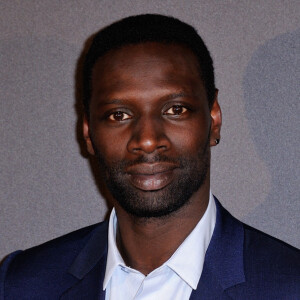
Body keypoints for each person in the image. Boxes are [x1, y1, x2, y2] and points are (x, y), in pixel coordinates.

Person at [0, 14, 299, 300]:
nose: (146, 139)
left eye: (175, 110)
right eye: (119, 114)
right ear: (89, 133)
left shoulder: (290, 286)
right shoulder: (20, 284)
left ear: (214, 119)